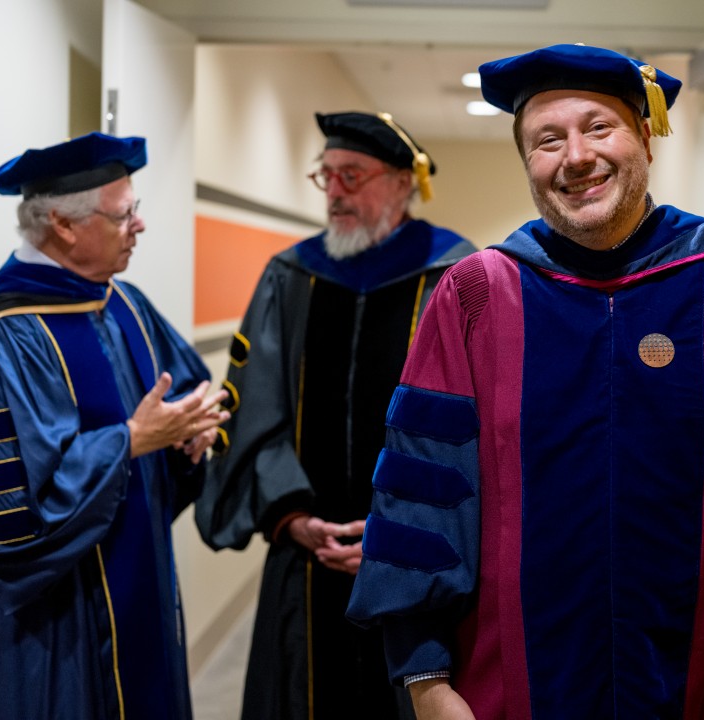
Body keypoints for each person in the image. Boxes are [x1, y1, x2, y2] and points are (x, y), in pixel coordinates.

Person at [345, 44, 704, 720]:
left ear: (646, 137)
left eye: (599, 127)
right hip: (509, 683)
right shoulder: (475, 294)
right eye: (546, 140)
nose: (576, 156)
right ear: (527, 162)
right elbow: (422, 490)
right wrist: (425, 677)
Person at [195, 111, 475, 720]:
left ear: (403, 182)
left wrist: (397, 532)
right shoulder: (290, 277)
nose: (337, 192)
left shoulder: (454, 276)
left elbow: (473, 430)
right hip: (309, 556)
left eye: (353, 175)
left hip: (418, 559)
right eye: (327, 177)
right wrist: (291, 516)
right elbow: (254, 409)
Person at [0, 132, 228, 719]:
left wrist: (191, 429)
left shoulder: (125, 302)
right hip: (54, 615)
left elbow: (184, 390)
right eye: (125, 214)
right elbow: (2, 513)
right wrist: (132, 442)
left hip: (140, 577)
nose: (139, 226)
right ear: (63, 224)